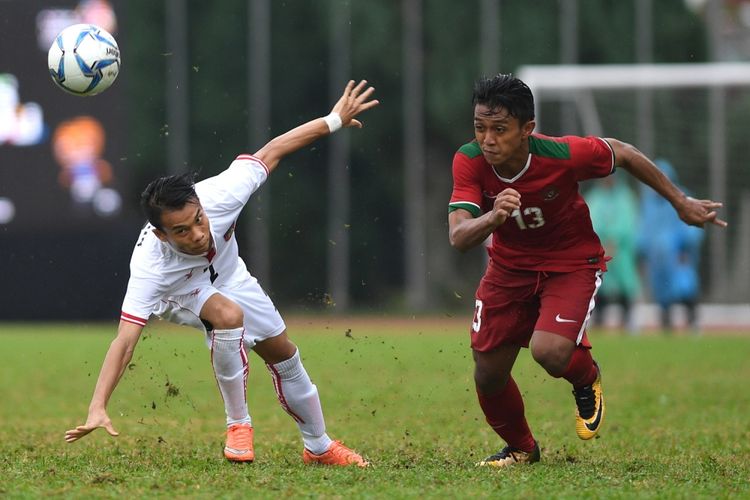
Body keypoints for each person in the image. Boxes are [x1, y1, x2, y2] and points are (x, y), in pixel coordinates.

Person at [65, 80, 379, 467]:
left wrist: (333, 120)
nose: (197, 234)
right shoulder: (150, 267)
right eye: (181, 231)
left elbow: (275, 149)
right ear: (161, 234)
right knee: (228, 316)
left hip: (231, 276)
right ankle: (238, 425)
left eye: (198, 220)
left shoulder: (222, 194)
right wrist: (97, 406)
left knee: (285, 356)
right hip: (179, 292)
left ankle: (319, 447)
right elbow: (125, 342)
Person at [447, 74, 726, 467]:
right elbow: (459, 236)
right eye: (480, 128)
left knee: (550, 352)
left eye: (499, 129)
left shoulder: (563, 155)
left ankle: (586, 377)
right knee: (488, 374)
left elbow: (624, 152)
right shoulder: (469, 160)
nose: (487, 139)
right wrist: (493, 218)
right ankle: (523, 448)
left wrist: (679, 202)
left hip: (571, 263)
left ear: (527, 129)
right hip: (508, 270)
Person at [638, 159, 704, 334]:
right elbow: (643, 231)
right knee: (662, 295)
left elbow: (694, 228)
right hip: (657, 262)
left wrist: (685, 247)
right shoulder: (648, 204)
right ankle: (666, 329)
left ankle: (693, 324)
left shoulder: (683, 198)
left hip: (679, 257)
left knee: (685, 289)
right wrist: (642, 254)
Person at [584, 172, 641, 333]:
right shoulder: (594, 198)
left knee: (625, 285)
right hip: (600, 250)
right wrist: (603, 242)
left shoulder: (625, 198)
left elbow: (628, 222)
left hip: (622, 251)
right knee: (599, 284)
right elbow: (590, 220)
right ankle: (599, 319)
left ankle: (627, 319)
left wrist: (615, 240)